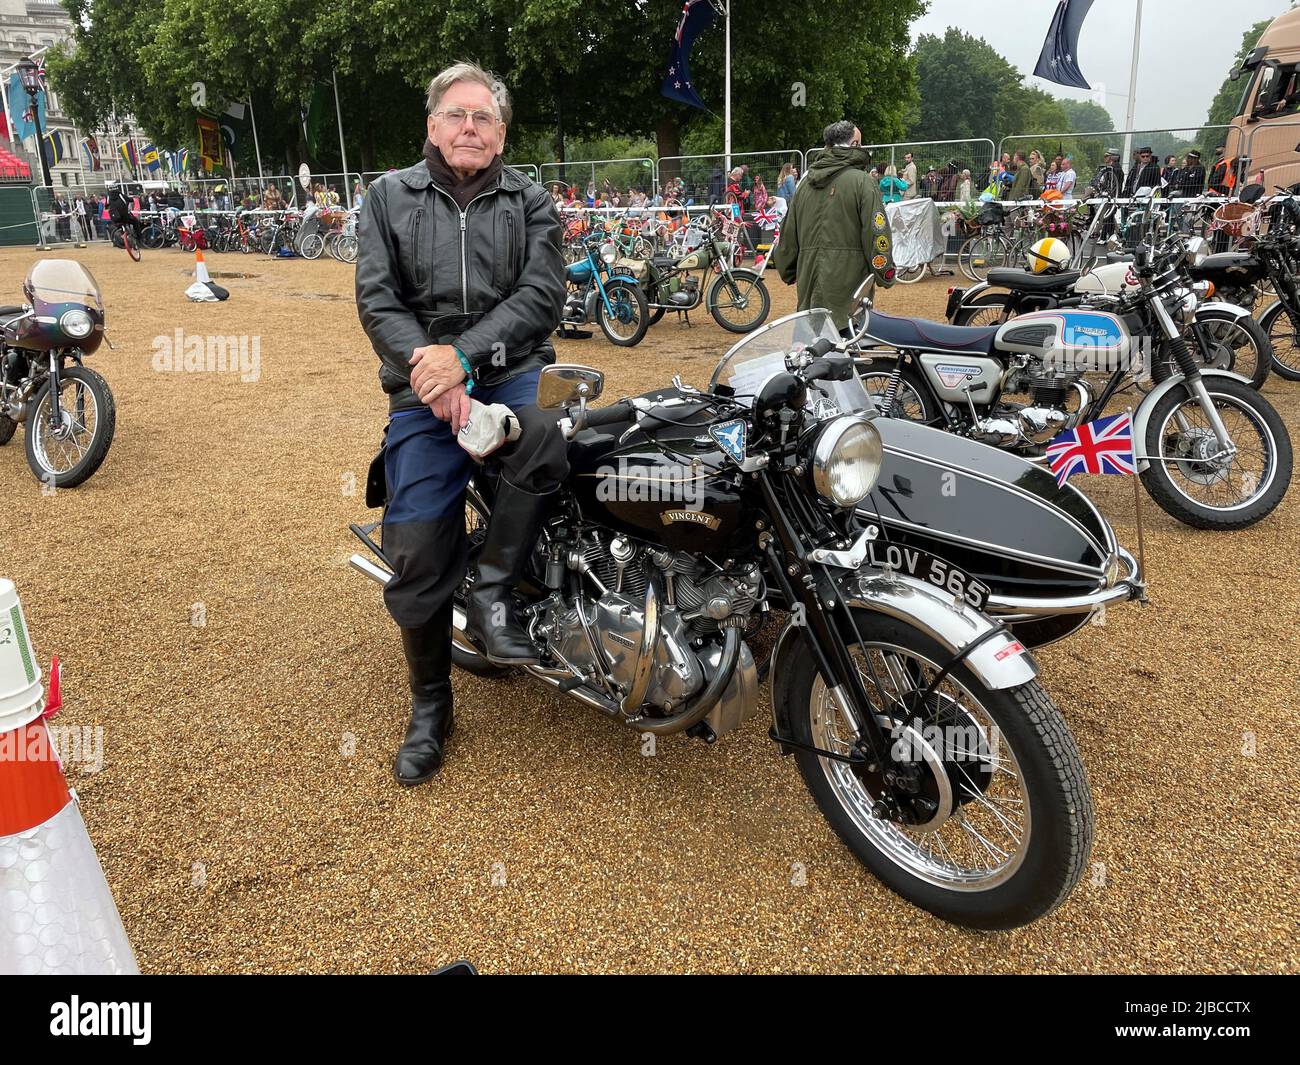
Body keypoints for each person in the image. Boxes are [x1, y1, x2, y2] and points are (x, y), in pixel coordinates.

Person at [354, 60, 567, 785]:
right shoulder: (387, 197)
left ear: (502, 133)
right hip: (422, 382)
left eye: (484, 117)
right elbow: (378, 301)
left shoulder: (532, 200)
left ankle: (495, 591)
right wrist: (434, 372)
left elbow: (540, 296)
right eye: (457, 115)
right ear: (432, 126)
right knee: (414, 541)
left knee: (551, 438)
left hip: (509, 365)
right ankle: (430, 704)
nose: (469, 127)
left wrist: (466, 362)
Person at [772, 119, 895, 329]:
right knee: (846, 353)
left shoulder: (804, 185)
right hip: (848, 295)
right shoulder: (862, 182)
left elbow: (787, 238)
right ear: (855, 144)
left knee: (809, 355)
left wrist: (788, 270)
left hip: (809, 294)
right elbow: (877, 235)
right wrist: (885, 273)